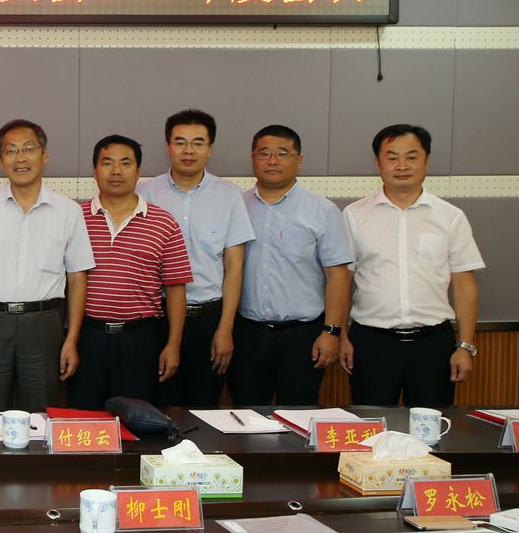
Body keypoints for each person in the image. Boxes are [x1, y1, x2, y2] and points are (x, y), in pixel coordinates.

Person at [0, 120, 92, 413]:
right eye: (11, 150)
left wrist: (71, 339)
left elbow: (77, 279)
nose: (20, 158)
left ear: (44, 154)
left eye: (28, 149)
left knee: (40, 415)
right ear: (1, 160)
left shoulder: (68, 211)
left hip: (44, 325)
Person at [340, 124, 483, 406]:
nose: (402, 165)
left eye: (411, 157)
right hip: (371, 343)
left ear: (427, 160)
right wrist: (342, 335)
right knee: (372, 425)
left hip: (433, 344)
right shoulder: (354, 215)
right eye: (392, 157)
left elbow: (464, 286)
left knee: (432, 426)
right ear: (378, 163)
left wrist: (465, 346)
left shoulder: (450, 217)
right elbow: (342, 282)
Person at [139, 109, 254, 408]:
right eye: (180, 142)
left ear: (210, 148)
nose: (188, 151)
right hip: (157, 318)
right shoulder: (145, 194)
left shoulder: (229, 195)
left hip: (209, 318)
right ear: (168, 147)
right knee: (158, 405)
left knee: (205, 407)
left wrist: (225, 328)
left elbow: (234, 266)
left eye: (198, 143)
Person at [69, 135, 192, 410]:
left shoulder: (163, 222)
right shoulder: (74, 218)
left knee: (137, 419)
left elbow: (176, 288)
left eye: (125, 163)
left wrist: (173, 344)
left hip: (141, 339)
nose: (116, 171)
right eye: (107, 163)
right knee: (84, 419)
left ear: (138, 172)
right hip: (88, 337)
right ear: (95, 171)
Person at [232, 125, 352, 407]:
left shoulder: (322, 210)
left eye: (282, 153)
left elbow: (338, 276)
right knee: (245, 416)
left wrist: (331, 332)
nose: (272, 161)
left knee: (299, 416)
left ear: (299, 160)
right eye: (264, 153)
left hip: (302, 336)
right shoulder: (236, 207)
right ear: (253, 158)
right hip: (247, 334)